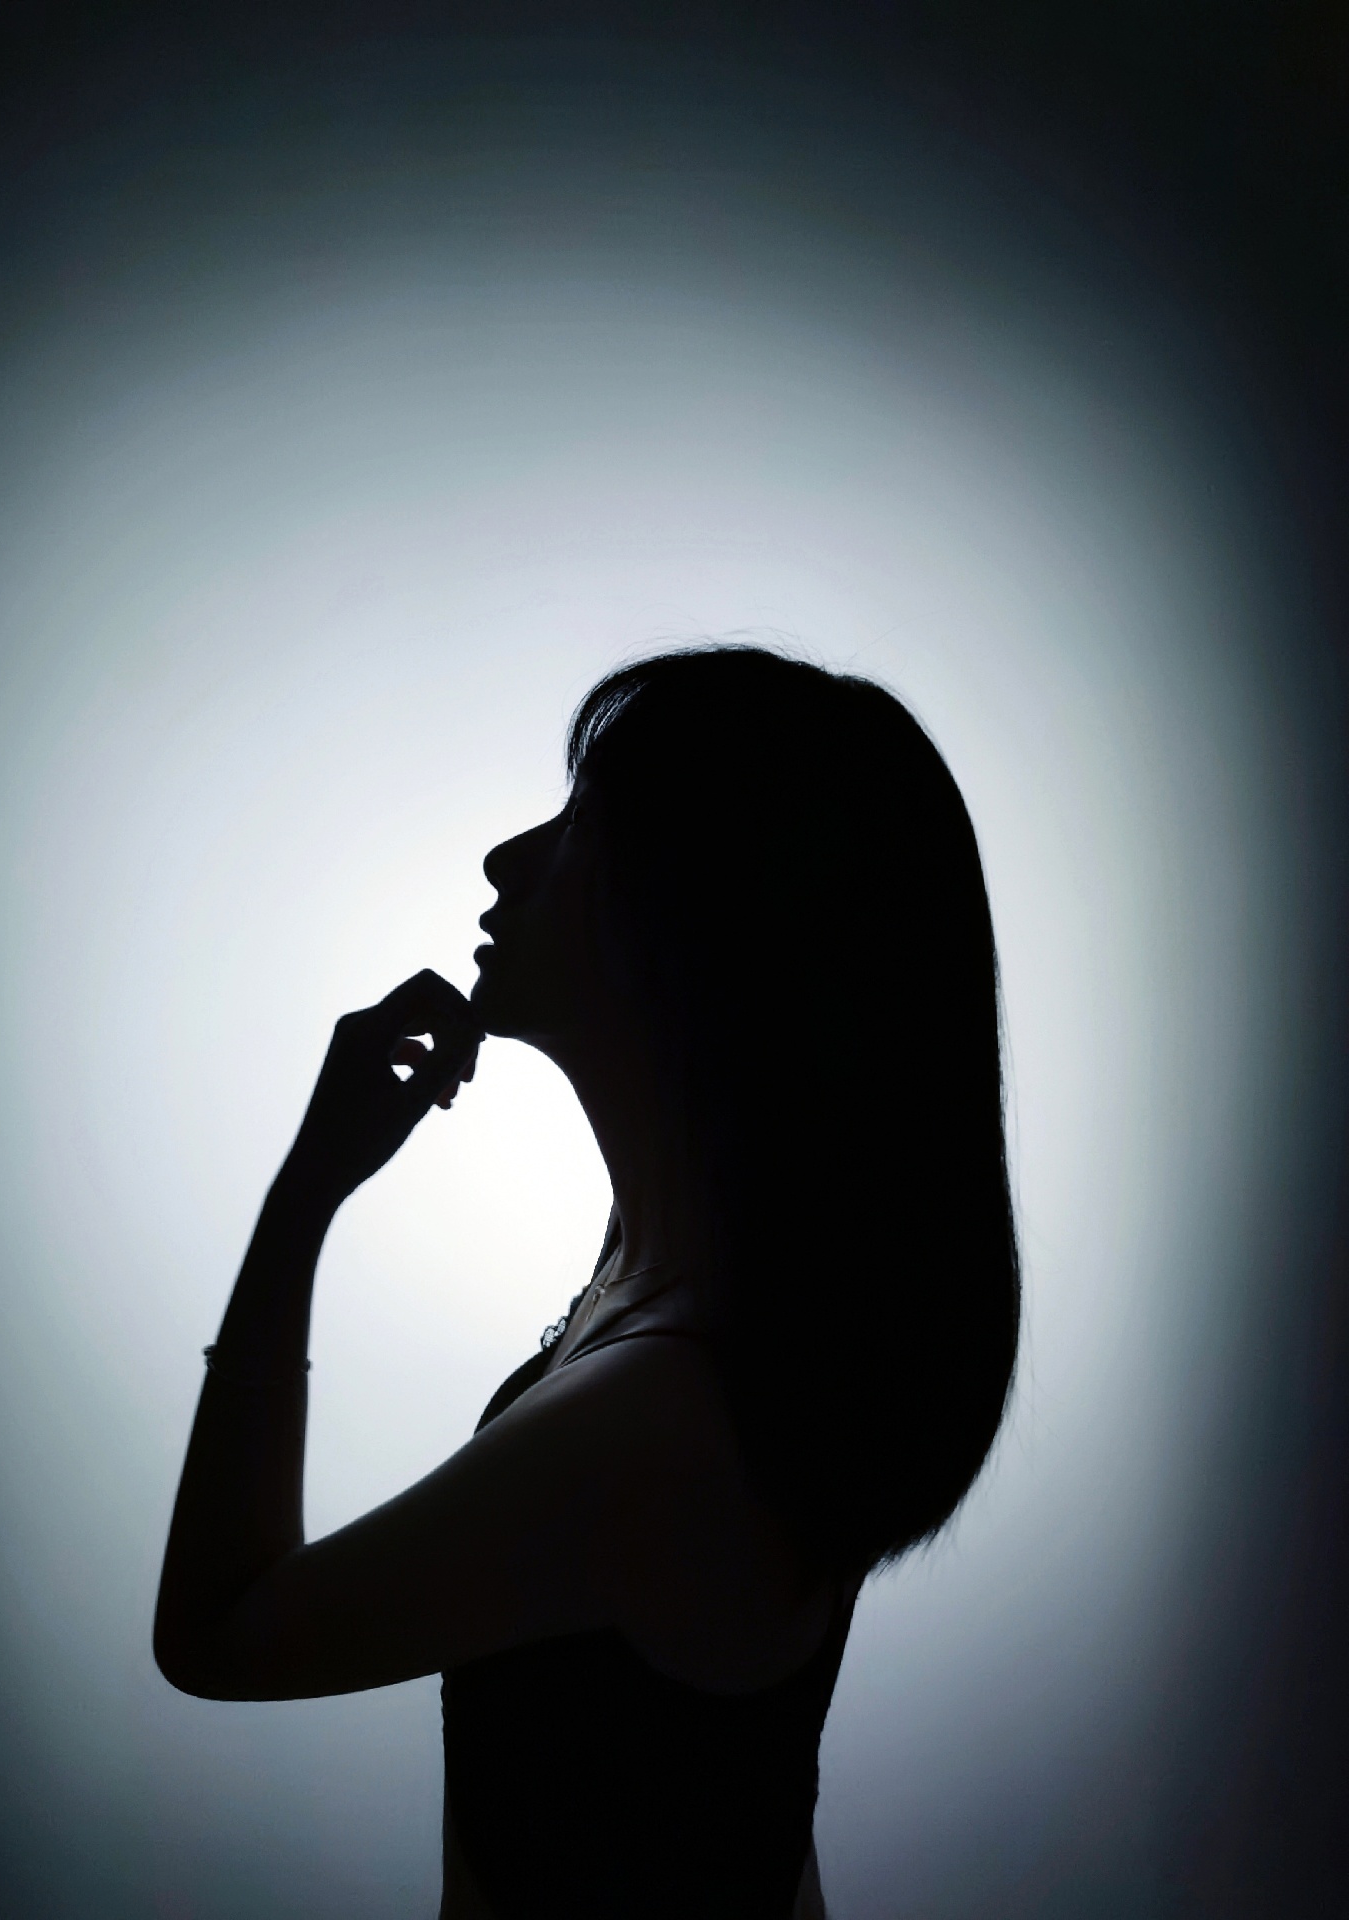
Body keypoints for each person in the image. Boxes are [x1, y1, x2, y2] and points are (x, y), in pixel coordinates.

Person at [154, 644, 1021, 1919]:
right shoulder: (722, 1276)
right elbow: (750, 1799)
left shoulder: (655, 1424)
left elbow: (215, 1632)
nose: (506, 860)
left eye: (577, 830)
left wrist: (304, 1197)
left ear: (690, 920)